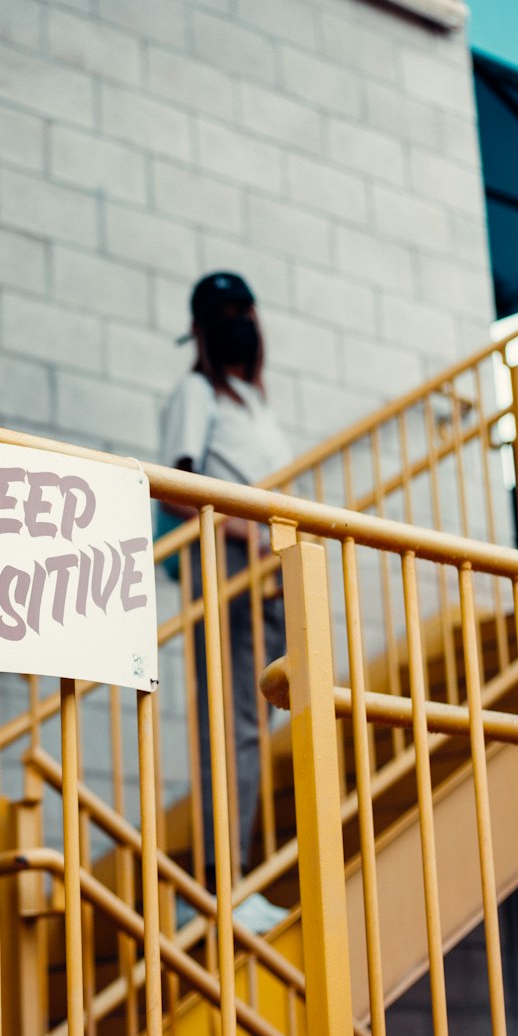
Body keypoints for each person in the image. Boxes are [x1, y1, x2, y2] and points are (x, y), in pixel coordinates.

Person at [160, 272, 290, 934]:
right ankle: (220, 886)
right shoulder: (195, 392)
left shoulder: (252, 400)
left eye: (247, 309)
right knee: (233, 723)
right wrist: (245, 531)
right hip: (230, 561)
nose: (241, 321)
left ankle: (230, 881)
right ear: (205, 330)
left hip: (269, 568)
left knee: (255, 723)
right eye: (227, 314)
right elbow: (172, 488)